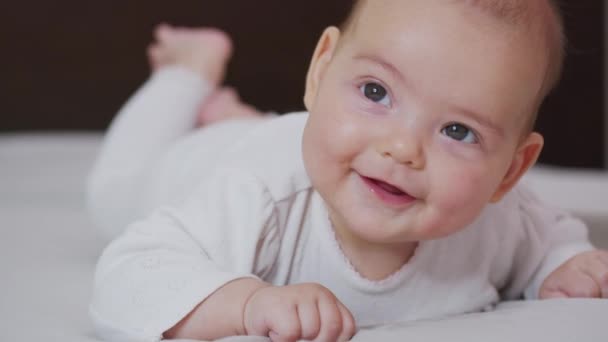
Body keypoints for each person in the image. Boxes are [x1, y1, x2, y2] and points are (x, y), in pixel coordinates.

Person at [88, 1, 608, 341]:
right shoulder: (258, 192)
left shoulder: (497, 223)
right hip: (200, 163)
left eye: (458, 132)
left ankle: (241, 116)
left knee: (301, 136)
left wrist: (567, 264)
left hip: (299, 140)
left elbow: (548, 240)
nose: (403, 148)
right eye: (375, 92)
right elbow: (128, 274)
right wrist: (247, 303)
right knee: (113, 188)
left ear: (509, 173)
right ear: (321, 71)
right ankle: (188, 71)